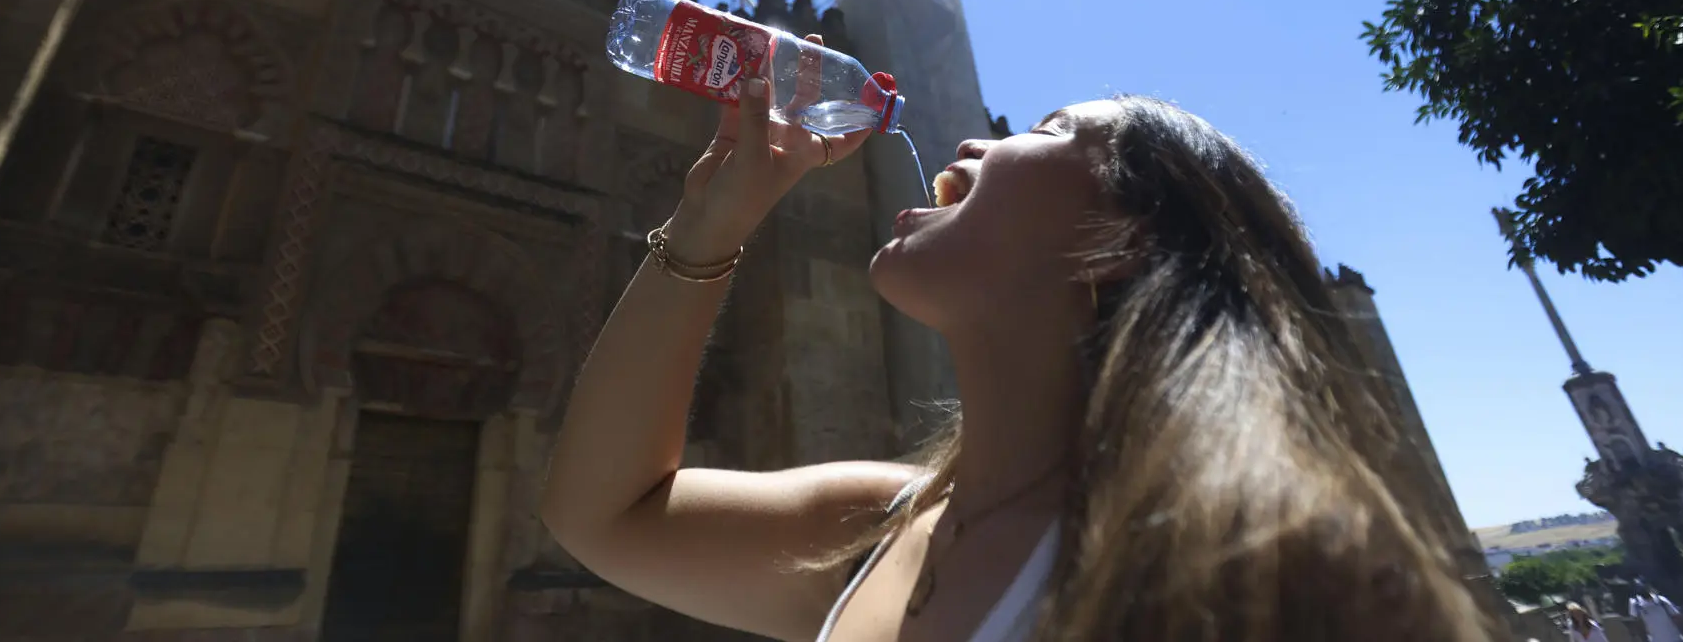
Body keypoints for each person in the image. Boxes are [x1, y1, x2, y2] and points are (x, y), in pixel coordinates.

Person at [541, 70, 1498, 641]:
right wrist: (712, 220)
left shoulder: (1252, 559)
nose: (970, 140)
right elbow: (605, 515)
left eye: (1042, 133)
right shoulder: (874, 530)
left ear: (1125, 239)